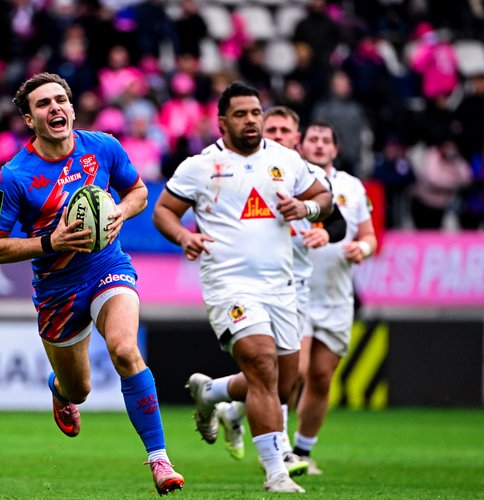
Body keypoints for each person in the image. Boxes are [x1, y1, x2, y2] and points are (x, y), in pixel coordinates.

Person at [0, 72, 184, 495]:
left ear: (72, 109)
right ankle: (61, 391)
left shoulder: (104, 147)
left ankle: (159, 459)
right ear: (29, 120)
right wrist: (50, 242)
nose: (55, 107)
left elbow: (138, 192)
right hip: (57, 290)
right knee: (80, 389)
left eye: (61, 100)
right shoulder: (14, 176)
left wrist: (119, 212)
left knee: (125, 349)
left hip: (107, 266)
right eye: (43, 104)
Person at [152, 82, 334, 493]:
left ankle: (212, 391)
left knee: (282, 384)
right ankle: (276, 473)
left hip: (281, 287)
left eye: (255, 113)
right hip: (229, 284)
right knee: (262, 362)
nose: (251, 120)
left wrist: (305, 207)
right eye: (241, 114)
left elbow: (324, 197)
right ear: (222, 122)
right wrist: (183, 236)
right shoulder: (200, 166)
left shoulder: (286, 159)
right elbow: (163, 211)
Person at [209, 106, 347, 475]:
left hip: (295, 285)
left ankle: (220, 399)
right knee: (274, 368)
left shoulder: (304, 175)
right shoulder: (237, 172)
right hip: (251, 285)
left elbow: (338, 223)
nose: (278, 135)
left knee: (284, 377)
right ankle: (282, 452)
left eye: (285, 130)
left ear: (295, 138)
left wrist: (323, 231)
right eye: (272, 129)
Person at [291, 121, 377, 475]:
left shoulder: (352, 187)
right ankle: (273, 446)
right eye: (313, 138)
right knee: (295, 370)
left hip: (336, 295)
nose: (320, 144)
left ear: (335, 149)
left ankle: (302, 451)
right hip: (296, 291)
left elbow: (369, 236)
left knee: (322, 377)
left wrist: (362, 249)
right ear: (301, 145)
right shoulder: (291, 179)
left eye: (326, 140)